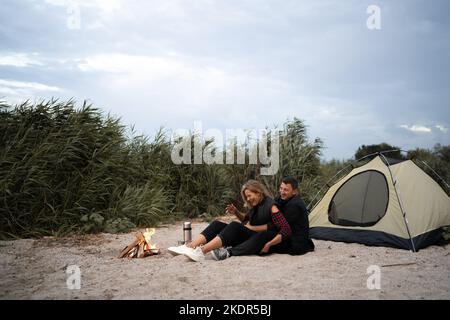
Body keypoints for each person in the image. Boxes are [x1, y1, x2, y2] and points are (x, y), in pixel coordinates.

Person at [167, 179, 288, 262]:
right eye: (246, 197)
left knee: (234, 226)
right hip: (249, 234)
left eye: (250, 195)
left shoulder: (271, 206)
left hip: (257, 238)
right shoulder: (256, 206)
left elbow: (276, 227)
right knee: (216, 224)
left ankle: (202, 251)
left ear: (258, 192)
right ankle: (191, 246)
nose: (248, 199)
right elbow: (245, 219)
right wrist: (236, 212)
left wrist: (250, 228)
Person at [211, 176, 314, 260]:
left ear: (294, 192)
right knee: (243, 230)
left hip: (293, 242)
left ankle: (229, 252)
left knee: (263, 236)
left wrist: (268, 243)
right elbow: (248, 219)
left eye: (286, 190)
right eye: (281, 188)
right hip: (282, 235)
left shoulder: (295, 205)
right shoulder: (280, 199)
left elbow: (279, 228)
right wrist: (237, 213)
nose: (282, 192)